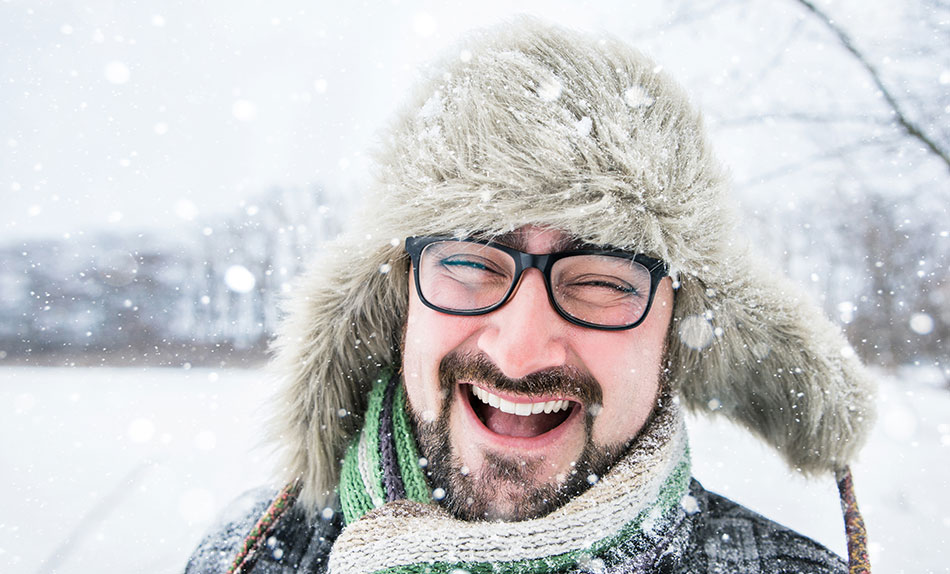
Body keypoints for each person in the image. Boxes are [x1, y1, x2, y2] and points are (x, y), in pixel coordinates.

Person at [186, 18, 875, 574]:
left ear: (677, 327)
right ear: (399, 303)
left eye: (604, 280)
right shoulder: (249, 557)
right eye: (468, 263)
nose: (519, 350)